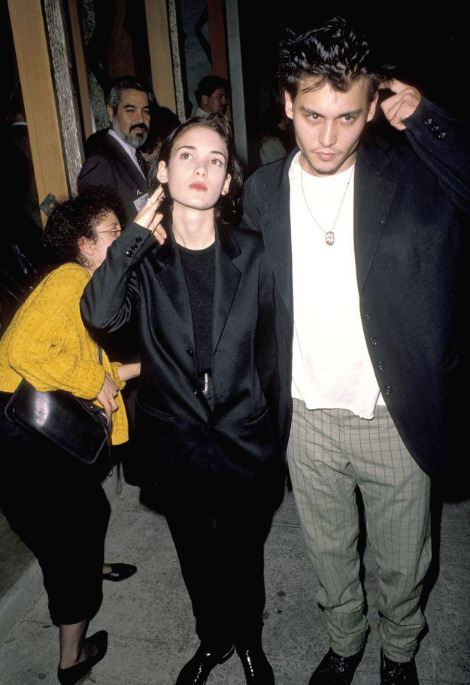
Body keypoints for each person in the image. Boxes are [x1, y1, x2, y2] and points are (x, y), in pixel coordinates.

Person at [241, 16, 468, 685]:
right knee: (329, 552)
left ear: (372, 107)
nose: (328, 137)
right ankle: (345, 640)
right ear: (288, 104)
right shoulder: (262, 191)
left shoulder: (416, 177)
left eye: (347, 117)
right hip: (304, 417)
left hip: (393, 415)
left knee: (404, 561)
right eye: (313, 115)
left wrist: (426, 119)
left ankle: (398, 652)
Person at [81, 114, 289, 685]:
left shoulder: (255, 253)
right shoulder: (143, 260)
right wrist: (131, 238)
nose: (201, 168)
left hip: (244, 441)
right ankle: (213, 640)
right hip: (175, 445)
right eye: (187, 156)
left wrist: (273, 440)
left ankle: (248, 641)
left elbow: (274, 355)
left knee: (245, 557)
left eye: (215, 160)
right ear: (163, 171)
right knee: (196, 558)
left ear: (227, 181)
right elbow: (99, 315)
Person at [0, 188, 140, 684]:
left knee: (91, 511)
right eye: (114, 232)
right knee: (69, 545)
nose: (124, 238)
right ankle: (71, 660)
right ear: (84, 244)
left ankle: (86, 566)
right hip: (22, 438)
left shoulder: (88, 287)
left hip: (32, 433)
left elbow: (86, 369)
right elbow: (25, 350)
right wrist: (93, 381)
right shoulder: (71, 279)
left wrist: (146, 368)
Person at [78, 76, 156, 225]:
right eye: (130, 110)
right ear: (110, 113)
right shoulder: (100, 164)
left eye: (145, 111)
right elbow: (99, 232)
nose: (140, 119)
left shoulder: (135, 155)